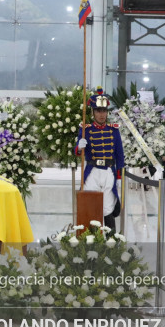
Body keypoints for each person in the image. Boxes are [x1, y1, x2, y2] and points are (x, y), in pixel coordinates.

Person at [74, 87, 125, 231]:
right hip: (93, 171)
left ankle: (112, 242)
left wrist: (119, 175)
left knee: (108, 207)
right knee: (91, 205)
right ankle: (90, 240)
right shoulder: (86, 129)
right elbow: (77, 151)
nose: (102, 115)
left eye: (104, 111)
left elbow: (119, 154)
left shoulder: (113, 130)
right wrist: (79, 146)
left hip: (109, 171)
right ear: (93, 112)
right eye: (98, 111)